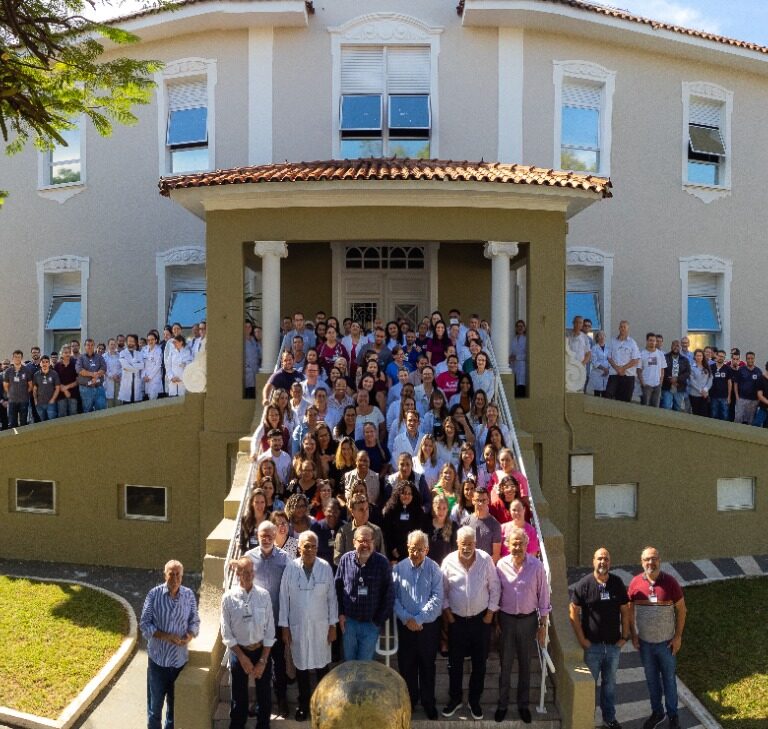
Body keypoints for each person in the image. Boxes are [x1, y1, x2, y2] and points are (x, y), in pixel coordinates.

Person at [440, 525, 500, 720]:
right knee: (454, 663)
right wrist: (449, 616)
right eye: (463, 544)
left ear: (475, 543)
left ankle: (475, 701)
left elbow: (495, 587)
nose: (466, 547)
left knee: (479, 664)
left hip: (481, 621)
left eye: (470, 544)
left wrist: (490, 614)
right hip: (456, 621)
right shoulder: (448, 562)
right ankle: (455, 699)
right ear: (457, 543)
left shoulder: (485, 560)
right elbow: (442, 591)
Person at [278, 531, 338, 722]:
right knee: (302, 667)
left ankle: (322, 706)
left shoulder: (325, 568)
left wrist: (332, 625)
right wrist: (284, 627)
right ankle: (304, 705)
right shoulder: (290, 568)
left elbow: (332, 599)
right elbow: (283, 598)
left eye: (313, 546)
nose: (310, 549)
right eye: (306, 546)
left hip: (321, 627)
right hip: (298, 626)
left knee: (322, 666)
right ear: (298, 547)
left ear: (317, 548)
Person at [569, 547, 630, 729]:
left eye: (606, 559)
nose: (603, 562)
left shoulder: (617, 583)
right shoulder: (584, 584)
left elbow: (625, 611)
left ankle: (609, 719)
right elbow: (573, 611)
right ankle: (587, 720)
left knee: (609, 685)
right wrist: (582, 640)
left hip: (613, 647)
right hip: (592, 647)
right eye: (599, 559)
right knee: (589, 686)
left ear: (609, 562)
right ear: (593, 561)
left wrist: (624, 637)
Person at [495, 527, 551, 724]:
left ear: (527, 545)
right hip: (506, 620)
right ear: (507, 545)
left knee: (526, 665)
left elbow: (544, 597)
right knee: (506, 665)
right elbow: (495, 594)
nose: (517, 547)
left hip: (528, 621)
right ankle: (502, 705)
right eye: (514, 543)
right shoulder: (500, 565)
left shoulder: (536, 566)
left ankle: (523, 705)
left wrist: (543, 625)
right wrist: (496, 621)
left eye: (521, 543)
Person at [628, 546, 687, 729]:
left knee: (669, 680)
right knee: (652, 681)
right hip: (645, 644)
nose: (650, 562)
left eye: (654, 558)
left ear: (659, 560)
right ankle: (657, 713)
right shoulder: (635, 583)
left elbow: (682, 610)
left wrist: (678, 637)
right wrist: (634, 635)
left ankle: (673, 716)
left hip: (666, 644)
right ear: (641, 562)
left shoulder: (670, 582)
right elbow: (629, 611)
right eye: (647, 559)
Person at [140, 560, 200, 729]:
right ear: (165, 575)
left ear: (182, 576)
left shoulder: (188, 595)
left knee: (174, 712)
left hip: (179, 664)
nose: (174, 578)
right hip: (158, 663)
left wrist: (189, 635)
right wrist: (165, 636)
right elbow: (144, 623)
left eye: (178, 575)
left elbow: (195, 621)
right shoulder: (154, 594)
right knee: (154, 710)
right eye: (171, 574)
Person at [392, 530, 443, 720]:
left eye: (420, 549)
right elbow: (393, 598)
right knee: (407, 666)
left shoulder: (434, 569)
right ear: (407, 548)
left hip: (427, 628)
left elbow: (437, 599)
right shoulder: (398, 569)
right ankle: (410, 702)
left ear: (427, 550)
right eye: (413, 549)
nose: (416, 553)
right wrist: (407, 619)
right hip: (406, 627)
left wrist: (419, 619)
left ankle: (429, 702)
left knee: (428, 666)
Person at [221, 557, 275, 729]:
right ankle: (237, 725)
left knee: (264, 694)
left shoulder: (264, 595)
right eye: (245, 572)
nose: (249, 575)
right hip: (239, 652)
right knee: (239, 696)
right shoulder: (228, 598)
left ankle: (263, 725)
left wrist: (263, 660)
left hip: (261, 651)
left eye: (251, 572)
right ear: (237, 574)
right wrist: (242, 657)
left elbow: (270, 630)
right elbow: (227, 632)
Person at [245, 521, 290, 717]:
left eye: (269, 535)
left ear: (275, 536)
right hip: (257, 621)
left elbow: (289, 590)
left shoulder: (285, 558)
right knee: (258, 663)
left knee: (278, 662)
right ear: (257, 535)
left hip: (278, 620)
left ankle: (281, 701)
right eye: (262, 535)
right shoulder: (249, 557)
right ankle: (260, 702)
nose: (266, 538)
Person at [335, 524, 395, 661]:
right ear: (354, 542)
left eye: (368, 540)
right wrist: (341, 614)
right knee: (349, 662)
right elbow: (337, 589)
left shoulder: (382, 563)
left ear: (374, 542)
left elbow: (389, 595)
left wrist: (378, 621)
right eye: (361, 540)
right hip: (349, 623)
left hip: (371, 624)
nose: (365, 544)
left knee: (364, 665)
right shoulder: (345, 560)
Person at [334, 493, 385, 564]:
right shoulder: (343, 531)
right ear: (352, 512)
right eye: (361, 510)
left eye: (367, 509)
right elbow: (337, 558)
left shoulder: (376, 531)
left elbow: (382, 558)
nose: (365, 512)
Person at [382, 480, 423, 563]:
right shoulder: (389, 511)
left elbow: (418, 534)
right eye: (404, 493)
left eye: (409, 494)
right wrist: (392, 550)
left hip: (412, 553)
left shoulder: (418, 512)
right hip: (394, 555)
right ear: (398, 494)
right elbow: (386, 533)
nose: (406, 496)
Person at [606, 321, 641, 402]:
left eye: (624, 327)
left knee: (625, 400)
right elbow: (609, 357)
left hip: (628, 376)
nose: (622, 329)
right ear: (619, 328)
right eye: (621, 327)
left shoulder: (632, 343)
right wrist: (617, 369)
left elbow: (636, 359)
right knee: (608, 395)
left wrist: (623, 369)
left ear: (628, 329)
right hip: (614, 374)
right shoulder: (612, 341)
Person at [467, 485, 502, 563]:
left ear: (488, 501)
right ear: (473, 501)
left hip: (488, 569)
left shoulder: (495, 525)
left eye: (483, 500)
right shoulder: (466, 522)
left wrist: (482, 569)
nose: (480, 503)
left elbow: (496, 555)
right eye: (478, 500)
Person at [76, 338, 107, 412]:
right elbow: (79, 370)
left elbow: (104, 368)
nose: (90, 347)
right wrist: (93, 375)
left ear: (94, 346)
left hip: (99, 388)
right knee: (87, 410)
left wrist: (97, 375)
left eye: (92, 345)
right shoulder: (81, 358)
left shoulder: (99, 357)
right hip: (86, 389)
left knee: (101, 410)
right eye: (88, 345)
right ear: (84, 346)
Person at [660, 340, 691, 411]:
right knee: (666, 406)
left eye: (677, 346)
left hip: (679, 387)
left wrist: (677, 379)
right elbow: (662, 370)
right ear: (671, 346)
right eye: (674, 345)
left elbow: (688, 372)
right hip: (667, 386)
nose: (675, 347)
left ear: (680, 347)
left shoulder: (685, 359)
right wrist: (670, 380)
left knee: (677, 408)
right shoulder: (664, 357)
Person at [638, 333, 666, 408]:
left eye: (654, 341)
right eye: (650, 340)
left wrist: (660, 383)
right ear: (647, 341)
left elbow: (662, 369)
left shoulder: (660, 354)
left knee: (655, 408)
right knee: (645, 407)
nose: (652, 342)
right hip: (646, 385)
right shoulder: (642, 354)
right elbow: (639, 370)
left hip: (657, 385)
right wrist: (643, 383)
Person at [734, 352, 762, 425]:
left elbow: (761, 387)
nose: (750, 360)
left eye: (752, 358)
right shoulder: (741, 369)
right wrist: (737, 397)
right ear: (746, 359)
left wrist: (759, 400)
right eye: (748, 358)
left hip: (754, 401)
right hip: (741, 399)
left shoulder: (758, 371)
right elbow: (736, 383)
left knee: (751, 421)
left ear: (754, 359)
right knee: (738, 419)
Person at [32, 355, 61, 421]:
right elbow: (34, 389)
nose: (45, 364)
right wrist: (35, 401)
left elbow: (57, 388)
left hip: (51, 403)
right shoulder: (36, 375)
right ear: (40, 363)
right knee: (43, 422)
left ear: (49, 363)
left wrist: (53, 399)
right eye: (43, 362)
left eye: (46, 362)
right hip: (40, 404)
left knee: (52, 422)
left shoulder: (54, 374)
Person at [119, 334, 145, 404]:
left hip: (136, 384)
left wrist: (131, 365)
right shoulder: (122, 353)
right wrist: (136, 368)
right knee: (126, 409)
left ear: (135, 342)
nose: (131, 343)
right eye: (129, 341)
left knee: (137, 408)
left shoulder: (139, 354)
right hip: (126, 385)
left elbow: (142, 365)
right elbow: (125, 366)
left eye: (133, 341)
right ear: (126, 342)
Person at [687, 349, 713, 417]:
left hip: (704, 395)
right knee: (696, 414)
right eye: (697, 356)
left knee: (704, 414)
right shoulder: (691, 368)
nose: (699, 357)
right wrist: (701, 390)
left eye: (700, 355)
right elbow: (692, 381)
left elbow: (710, 379)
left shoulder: (706, 367)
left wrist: (706, 389)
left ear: (703, 357)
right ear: (694, 357)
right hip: (694, 395)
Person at [709, 349, 732, 420]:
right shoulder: (711, 367)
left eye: (722, 357)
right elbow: (707, 381)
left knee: (725, 416)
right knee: (713, 415)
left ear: (724, 358)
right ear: (716, 356)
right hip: (713, 396)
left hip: (724, 397)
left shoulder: (727, 368)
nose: (721, 358)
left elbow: (729, 383)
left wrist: (729, 397)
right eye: (719, 356)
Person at [509, 319, 527, 398]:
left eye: (521, 326)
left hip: (522, 366)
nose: (520, 328)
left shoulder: (526, 339)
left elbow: (527, 355)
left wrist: (517, 357)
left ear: (524, 328)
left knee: (521, 386)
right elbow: (511, 351)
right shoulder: (513, 339)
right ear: (516, 328)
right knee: (513, 387)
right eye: (518, 326)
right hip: (514, 366)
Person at [588, 331, 610, 396]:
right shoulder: (594, 348)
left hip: (607, 373)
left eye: (603, 335)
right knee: (597, 394)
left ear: (605, 337)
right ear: (597, 338)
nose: (602, 337)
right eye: (600, 335)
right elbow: (594, 361)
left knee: (605, 394)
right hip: (597, 373)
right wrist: (604, 369)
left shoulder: (609, 348)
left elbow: (611, 360)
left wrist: (607, 369)